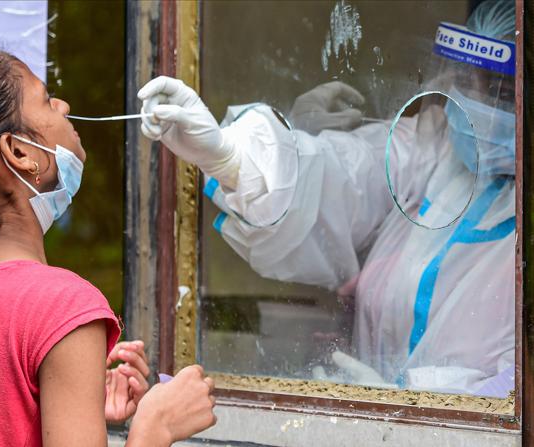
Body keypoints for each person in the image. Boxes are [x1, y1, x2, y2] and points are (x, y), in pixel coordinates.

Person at [137, 0, 516, 396]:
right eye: (465, 80)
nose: (472, 101)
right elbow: (343, 176)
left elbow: (515, 396)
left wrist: (414, 400)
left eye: (498, 91)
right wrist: (232, 158)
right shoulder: (434, 150)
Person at [0, 46, 216, 446]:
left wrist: (69, 402)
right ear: (19, 152)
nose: (64, 105)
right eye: (47, 99)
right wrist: (155, 427)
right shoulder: (63, 306)